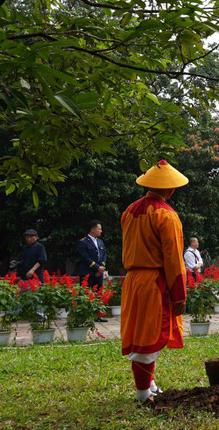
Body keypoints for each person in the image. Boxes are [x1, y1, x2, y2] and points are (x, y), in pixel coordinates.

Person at [120, 160, 189, 403]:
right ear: (170, 189)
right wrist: (179, 294)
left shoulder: (129, 211)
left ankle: (149, 385)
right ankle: (142, 394)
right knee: (150, 335)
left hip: (133, 279)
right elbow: (173, 258)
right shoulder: (166, 214)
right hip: (154, 281)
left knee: (141, 332)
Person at [77, 220, 107, 293]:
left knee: (99, 295)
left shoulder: (100, 242)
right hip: (87, 272)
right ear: (92, 229)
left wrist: (101, 267)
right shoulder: (83, 242)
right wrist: (97, 267)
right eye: (99, 229)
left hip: (99, 273)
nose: (101, 231)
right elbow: (85, 257)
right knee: (85, 294)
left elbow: (104, 255)